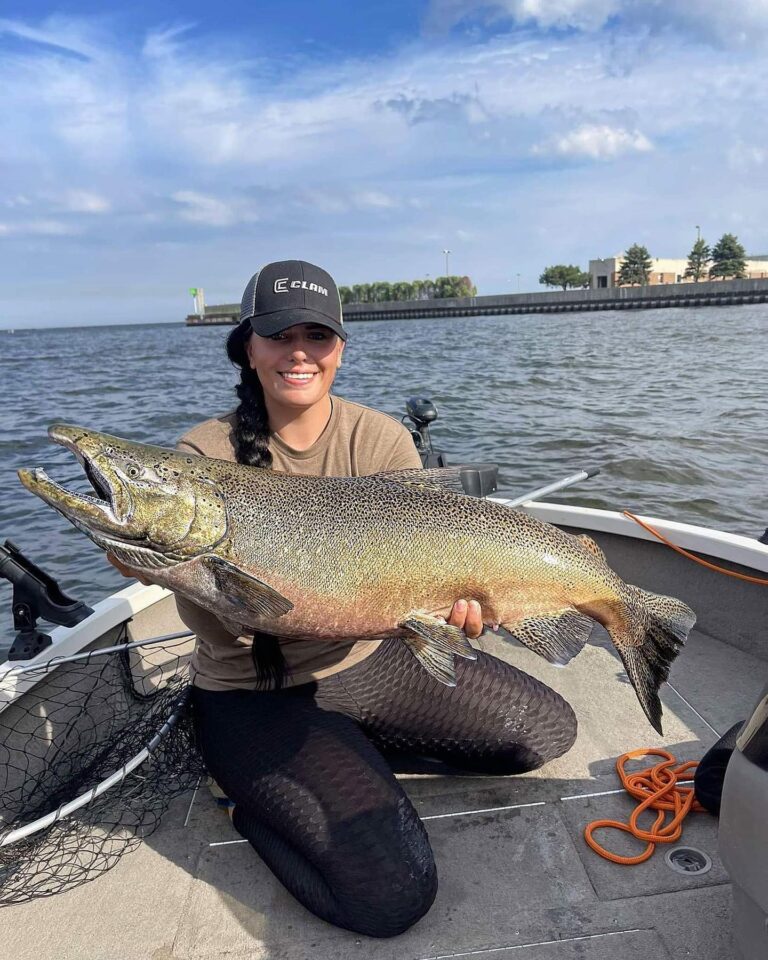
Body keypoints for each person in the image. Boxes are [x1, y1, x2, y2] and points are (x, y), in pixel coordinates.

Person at [109, 260, 577, 939]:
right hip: (253, 692)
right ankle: (246, 798)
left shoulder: (380, 438)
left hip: (368, 661)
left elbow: (421, 580)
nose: (299, 352)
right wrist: (163, 565)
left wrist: (457, 614)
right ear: (248, 346)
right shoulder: (202, 454)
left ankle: (344, 751)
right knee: (390, 895)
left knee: (545, 733)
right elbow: (218, 605)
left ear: (340, 348)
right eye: (279, 335)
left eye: (316, 336)